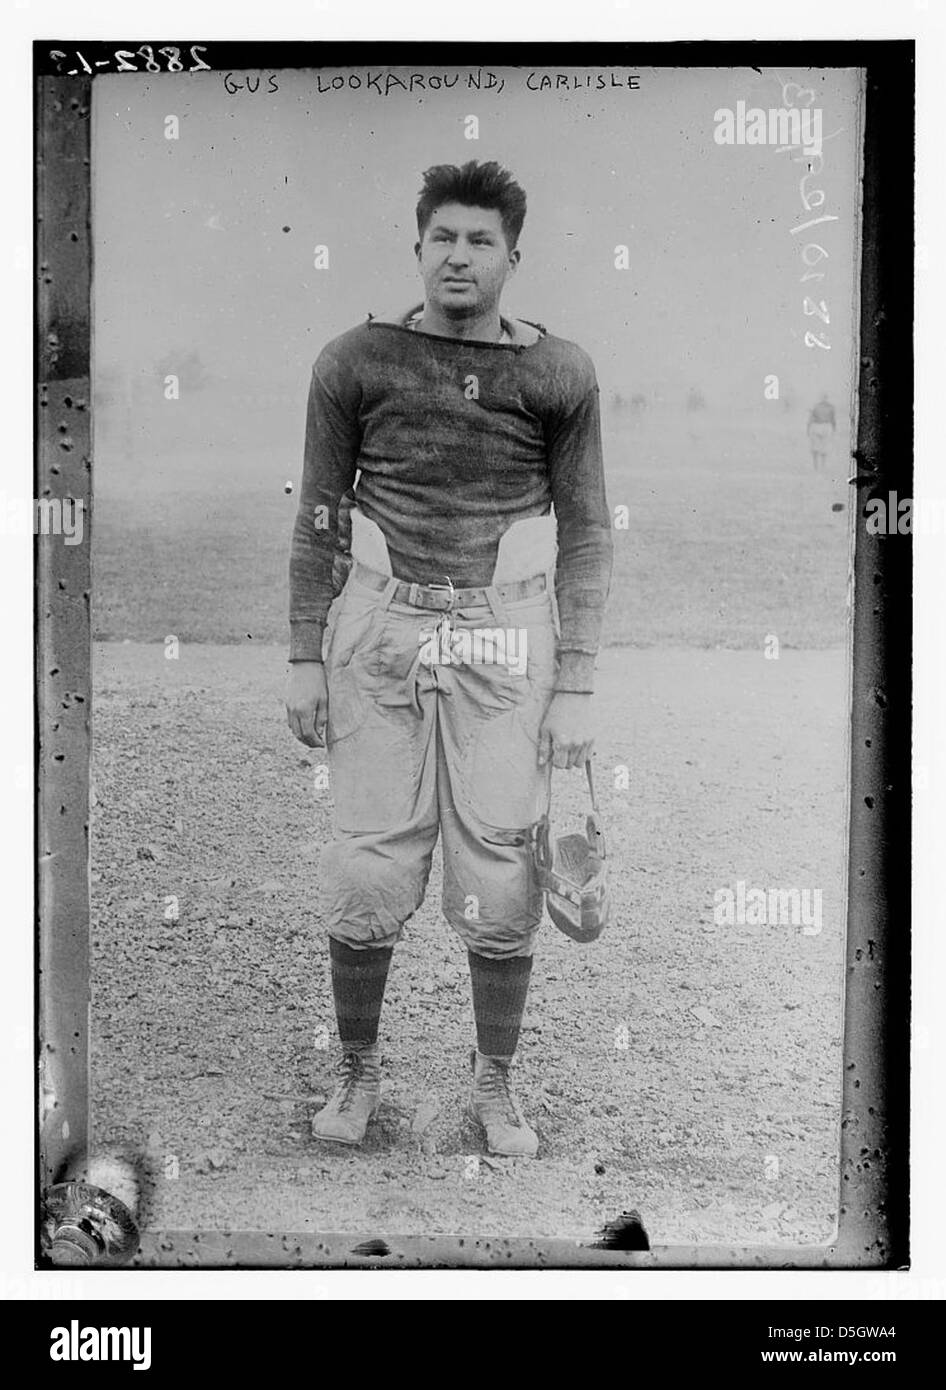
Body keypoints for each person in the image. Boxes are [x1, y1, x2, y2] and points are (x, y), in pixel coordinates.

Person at [285, 160, 613, 1157]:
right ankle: (355, 1070)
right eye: (443, 238)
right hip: (379, 623)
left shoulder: (558, 371)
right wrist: (303, 655)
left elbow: (588, 531)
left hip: (504, 632)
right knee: (368, 857)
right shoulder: (355, 360)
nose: (459, 256)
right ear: (417, 246)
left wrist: (577, 685)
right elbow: (319, 514)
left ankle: (496, 1083)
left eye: (480, 241)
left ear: (514, 255)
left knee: (505, 863)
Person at [807, 391, 836, 472]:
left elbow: (833, 419)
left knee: (823, 447)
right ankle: (816, 467)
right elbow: (811, 418)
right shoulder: (817, 407)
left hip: (825, 426)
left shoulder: (829, 407)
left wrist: (833, 429)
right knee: (816, 448)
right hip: (818, 426)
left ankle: (821, 467)